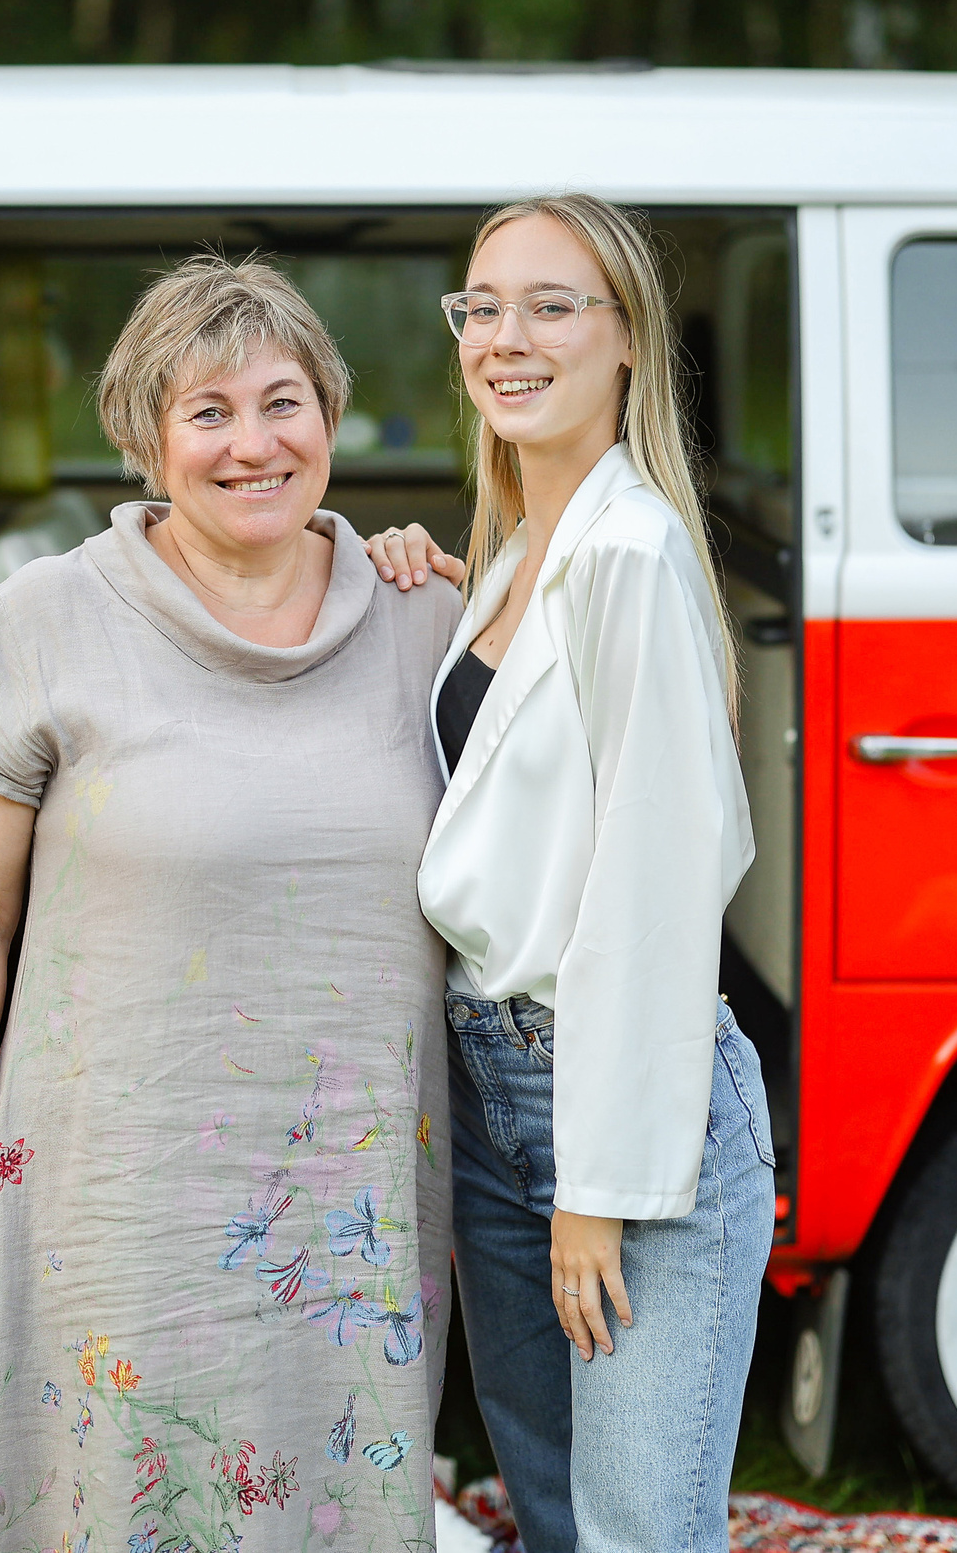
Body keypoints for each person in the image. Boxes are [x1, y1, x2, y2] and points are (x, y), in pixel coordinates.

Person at [0, 255, 462, 1553]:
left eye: (285, 402)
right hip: (120, 1190)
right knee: (121, 1503)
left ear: (333, 417)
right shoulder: (43, 621)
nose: (253, 444)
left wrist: (464, 566)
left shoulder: (428, 614)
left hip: (353, 1195)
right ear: (146, 436)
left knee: (333, 1496)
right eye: (208, 412)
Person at [365, 194, 774, 1553]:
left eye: (553, 305)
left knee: (637, 1533)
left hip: (620, 1104)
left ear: (629, 343)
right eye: (483, 307)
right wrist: (405, 585)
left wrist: (597, 1188)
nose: (508, 337)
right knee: (550, 1516)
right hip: (491, 1094)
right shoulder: (507, 561)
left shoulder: (631, 553)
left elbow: (658, 885)